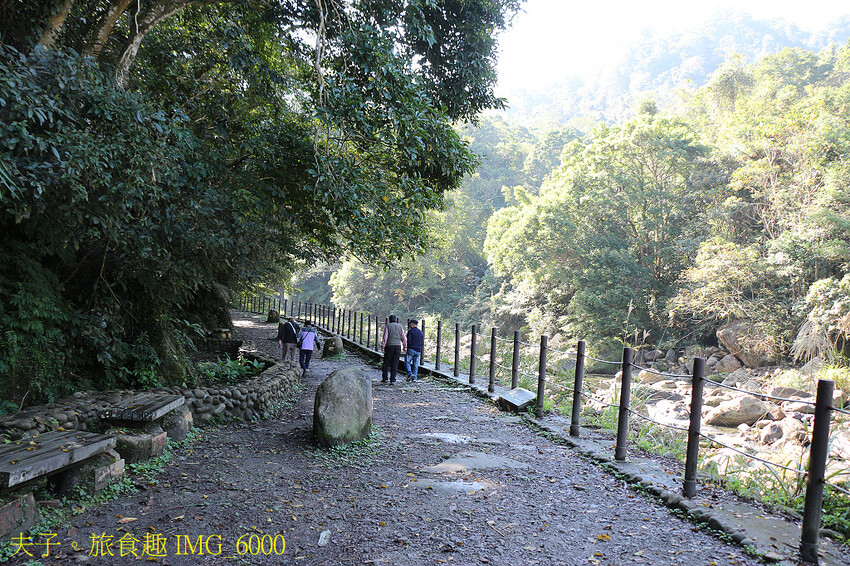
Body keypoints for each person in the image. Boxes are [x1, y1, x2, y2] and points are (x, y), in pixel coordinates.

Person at [381, 315, 406, 384]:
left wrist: (383, 346)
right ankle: (393, 380)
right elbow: (403, 337)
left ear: (389, 320)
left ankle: (385, 378)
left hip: (389, 346)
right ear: (396, 320)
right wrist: (405, 346)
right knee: (395, 363)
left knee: (386, 362)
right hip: (397, 346)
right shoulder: (400, 327)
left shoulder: (387, 326)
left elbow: (385, 338)